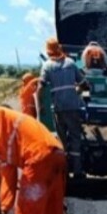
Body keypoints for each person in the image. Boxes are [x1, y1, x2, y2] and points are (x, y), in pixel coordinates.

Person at [37, 37, 86, 181]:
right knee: (76, 138)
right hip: (73, 106)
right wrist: (77, 94)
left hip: (59, 108)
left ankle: (64, 172)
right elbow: (83, 83)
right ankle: (78, 171)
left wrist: (40, 106)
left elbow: (40, 87)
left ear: (48, 50)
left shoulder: (47, 66)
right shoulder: (71, 63)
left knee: (62, 141)